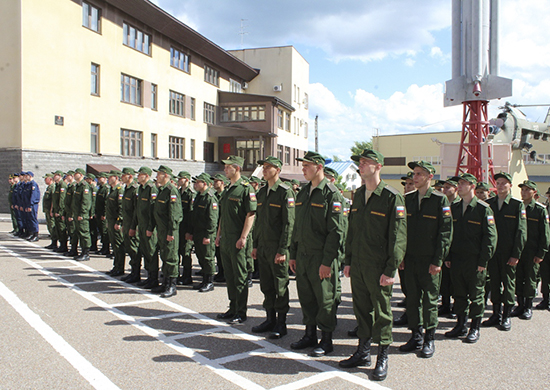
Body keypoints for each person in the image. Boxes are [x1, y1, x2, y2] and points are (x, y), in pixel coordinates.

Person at [338, 150, 406, 382]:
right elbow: (351, 231)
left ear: (378, 166)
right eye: (360, 162)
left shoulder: (391, 197)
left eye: (366, 162)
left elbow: (398, 238)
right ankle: (363, 352)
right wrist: (347, 261)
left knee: (382, 313)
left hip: (379, 267)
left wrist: (390, 270)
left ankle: (382, 356)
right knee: (361, 310)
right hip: (358, 264)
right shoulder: (358, 195)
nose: (361, 165)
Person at [289, 151, 345, 358]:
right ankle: (309, 335)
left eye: (307, 166)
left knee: (325, 299)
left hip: (321, 257)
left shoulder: (332, 195)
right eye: (303, 166)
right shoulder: (302, 193)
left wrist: (327, 262)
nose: (303, 169)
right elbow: (297, 227)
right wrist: (293, 254)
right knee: (307, 298)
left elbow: (336, 231)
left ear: (319, 167)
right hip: (303, 256)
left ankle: (327, 340)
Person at [398, 161, 452, 358]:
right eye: (414, 173)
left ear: (430, 177)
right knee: (412, 299)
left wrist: (438, 260)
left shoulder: (440, 200)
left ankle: (429, 339)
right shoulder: (407, 199)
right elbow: (401, 231)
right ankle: (416, 336)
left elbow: (445, 233)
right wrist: (401, 256)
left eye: (420, 174)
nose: (415, 177)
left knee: (429, 301)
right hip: (410, 260)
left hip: (429, 261)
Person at [445, 173, 497, 343]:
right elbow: (449, 234)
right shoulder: (454, 207)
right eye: (458, 183)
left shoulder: (483, 209)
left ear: (472, 186)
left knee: (476, 295)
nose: (459, 186)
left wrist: (484, 261)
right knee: (459, 293)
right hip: (458, 259)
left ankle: (475, 328)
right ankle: (461, 325)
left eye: (463, 183)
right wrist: (449, 255)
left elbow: (490, 237)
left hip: (475, 261)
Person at [251, 156, 295, 339]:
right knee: (266, 285)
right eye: (263, 167)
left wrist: (283, 250)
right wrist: (254, 245)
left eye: (268, 167)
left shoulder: (286, 192)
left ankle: (281, 323)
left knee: (280, 285)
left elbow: (289, 224)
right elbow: (258, 222)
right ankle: (270, 318)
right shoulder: (261, 193)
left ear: (277, 170)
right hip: (263, 247)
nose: (264, 170)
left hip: (277, 248)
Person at [483, 172, 527, 331]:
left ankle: (506, 315)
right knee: (494, 282)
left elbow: (521, 232)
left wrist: (516, 254)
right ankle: (496, 313)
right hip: (493, 252)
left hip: (508, 253)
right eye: (498, 183)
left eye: (504, 183)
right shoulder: (489, 204)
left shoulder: (517, 205)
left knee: (508, 284)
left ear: (510, 186)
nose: (500, 186)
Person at [215, 156, 257, 323]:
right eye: (224, 168)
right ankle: (232, 308)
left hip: (237, 239)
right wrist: (218, 235)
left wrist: (243, 237)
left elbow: (251, 214)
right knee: (230, 276)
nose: (225, 170)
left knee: (239, 276)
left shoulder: (246, 189)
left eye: (227, 167)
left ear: (237, 168)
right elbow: (222, 216)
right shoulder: (227, 190)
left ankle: (241, 311)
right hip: (225, 239)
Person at [511, 180, 550, 319]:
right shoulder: (517, 207)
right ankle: (519, 305)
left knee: (530, 279)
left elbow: (545, 234)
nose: (524, 192)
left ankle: (528, 306)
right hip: (518, 250)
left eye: (527, 190)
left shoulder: (540, 210)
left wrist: (541, 253)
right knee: (518, 278)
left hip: (532, 251)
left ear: (534, 192)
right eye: (522, 189)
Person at [147, 165, 183, 298]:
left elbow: (175, 214)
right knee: (165, 256)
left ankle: (172, 285)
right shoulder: (162, 190)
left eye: (159, 174)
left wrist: (172, 232)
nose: (156, 177)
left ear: (166, 176)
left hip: (169, 231)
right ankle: (165, 283)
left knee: (171, 257)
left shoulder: (171, 191)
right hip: (162, 230)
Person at [186, 173, 218, 293]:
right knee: (200, 256)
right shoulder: (199, 196)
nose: (195, 184)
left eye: (197, 182)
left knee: (208, 257)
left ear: (204, 183)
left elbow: (212, 219)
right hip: (198, 232)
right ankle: (204, 280)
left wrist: (208, 235)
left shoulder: (210, 198)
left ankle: (209, 282)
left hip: (206, 234)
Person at [133, 167, 159, 289]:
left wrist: (150, 227)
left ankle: (154, 278)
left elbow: (153, 210)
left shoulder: (151, 188)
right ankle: (149, 276)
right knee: (145, 251)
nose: (138, 176)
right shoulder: (141, 188)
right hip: (142, 226)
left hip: (149, 227)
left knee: (151, 252)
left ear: (147, 176)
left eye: (141, 174)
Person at [439, 176, 461, 317]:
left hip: (457, 248)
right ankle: (445, 304)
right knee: (444, 280)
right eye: (444, 187)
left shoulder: (459, 204)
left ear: (456, 189)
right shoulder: (443, 204)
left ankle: (455, 307)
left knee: (455, 281)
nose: (444, 189)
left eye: (448, 187)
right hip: (444, 247)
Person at [105, 170, 126, 277]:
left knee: (118, 245)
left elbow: (121, 208)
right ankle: (116, 266)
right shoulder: (112, 190)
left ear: (116, 178)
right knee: (114, 245)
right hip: (111, 221)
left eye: (110, 177)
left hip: (116, 221)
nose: (108, 179)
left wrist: (119, 221)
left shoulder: (119, 190)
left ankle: (120, 268)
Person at [177, 171, 195, 285]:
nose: (179, 180)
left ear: (187, 180)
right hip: (179, 227)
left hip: (186, 227)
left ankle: (187, 276)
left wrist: (190, 231)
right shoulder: (178, 192)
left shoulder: (190, 194)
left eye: (181, 178)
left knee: (186, 252)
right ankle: (180, 274)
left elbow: (191, 214)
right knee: (179, 251)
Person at [72, 168, 93, 261]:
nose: (74, 175)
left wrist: (82, 213)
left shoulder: (84, 186)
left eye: (76, 173)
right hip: (77, 214)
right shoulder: (78, 186)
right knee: (79, 233)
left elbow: (86, 202)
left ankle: (86, 253)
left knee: (84, 233)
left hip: (82, 215)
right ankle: (82, 252)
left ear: (81, 175)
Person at [212, 174, 228, 282]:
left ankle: (225, 273)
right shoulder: (214, 196)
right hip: (216, 227)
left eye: (216, 181)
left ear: (222, 182)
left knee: (223, 253)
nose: (214, 183)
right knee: (217, 252)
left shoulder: (225, 195)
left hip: (223, 227)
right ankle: (221, 271)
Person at [51, 171, 68, 253]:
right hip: (56, 211)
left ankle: (64, 246)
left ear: (60, 176)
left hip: (60, 212)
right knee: (58, 229)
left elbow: (62, 199)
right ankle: (61, 245)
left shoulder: (62, 185)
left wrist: (60, 211)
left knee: (61, 229)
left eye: (56, 175)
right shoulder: (57, 185)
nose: (54, 176)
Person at [95, 173, 111, 256]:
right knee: (101, 231)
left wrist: (104, 214)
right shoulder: (100, 188)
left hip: (103, 214)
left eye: (100, 178)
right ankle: (103, 248)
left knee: (105, 232)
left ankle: (106, 248)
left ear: (105, 178)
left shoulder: (106, 188)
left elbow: (106, 202)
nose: (98, 179)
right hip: (99, 213)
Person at [24, 172, 41, 242]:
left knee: (33, 219)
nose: (25, 177)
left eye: (26, 176)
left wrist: (30, 205)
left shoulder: (33, 184)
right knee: (30, 219)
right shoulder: (28, 184)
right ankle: (32, 233)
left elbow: (33, 196)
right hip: (28, 205)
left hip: (32, 205)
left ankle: (35, 235)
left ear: (30, 176)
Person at [43, 173, 57, 249]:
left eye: (46, 178)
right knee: (49, 226)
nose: (45, 180)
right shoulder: (49, 187)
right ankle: (53, 242)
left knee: (52, 226)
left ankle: (54, 243)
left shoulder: (53, 187)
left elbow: (53, 200)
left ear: (50, 179)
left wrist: (52, 210)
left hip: (50, 210)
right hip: (47, 210)